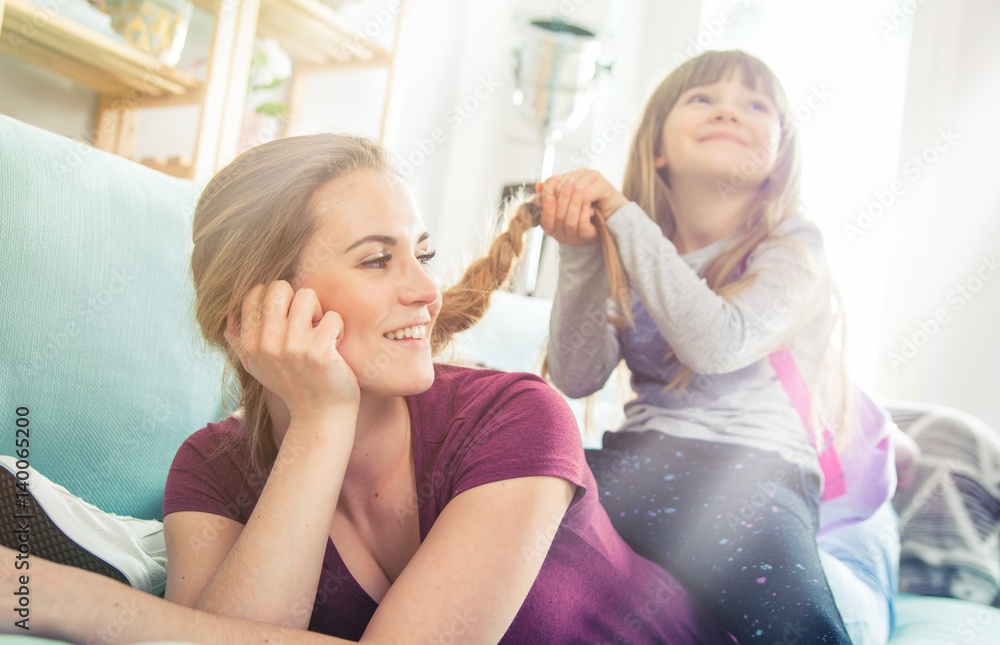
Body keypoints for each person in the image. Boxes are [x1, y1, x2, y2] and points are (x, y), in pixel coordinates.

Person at [0, 132, 736, 644]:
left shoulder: (517, 414)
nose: (426, 289)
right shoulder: (212, 468)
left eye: (420, 253)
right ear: (255, 310)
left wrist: (63, 598)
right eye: (377, 260)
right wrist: (322, 423)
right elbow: (211, 636)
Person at [537, 49, 902, 644]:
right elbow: (578, 376)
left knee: (799, 628)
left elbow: (717, 343)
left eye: (754, 104)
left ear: (778, 158)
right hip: (636, 459)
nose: (728, 111)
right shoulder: (626, 245)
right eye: (703, 98)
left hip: (752, 476)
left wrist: (624, 219)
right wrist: (581, 254)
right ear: (658, 148)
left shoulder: (794, 245)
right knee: (506, 512)